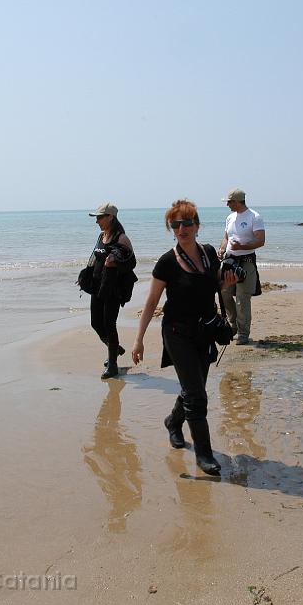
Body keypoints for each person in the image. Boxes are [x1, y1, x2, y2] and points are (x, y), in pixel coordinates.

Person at [131, 199, 238, 476]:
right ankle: (204, 455)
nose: (182, 229)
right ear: (171, 229)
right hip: (177, 333)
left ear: (197, 225)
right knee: (197, 396)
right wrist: (138, 339)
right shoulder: (167, 262)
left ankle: (173, 422)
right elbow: (151, 302)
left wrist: (225, 282)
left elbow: (211, 283)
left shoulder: (209, 253)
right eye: (176, 224)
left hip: (205, 330)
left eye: (187, 223)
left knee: (194, 389)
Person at [86, 203, 137, 379]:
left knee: (109, 324)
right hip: (97, 286)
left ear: (111, 217)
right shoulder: (101, 236)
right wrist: (85, 276)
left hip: (113, 288)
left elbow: (132, 263)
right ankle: (114, 349)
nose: (97, 221)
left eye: (100, 217)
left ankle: (113, 365)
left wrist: (115, 262)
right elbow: (94, 258)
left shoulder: (122, 238)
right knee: (96, 323)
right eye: (96, 218)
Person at [218, 188, 265, 344]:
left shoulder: (254, 217)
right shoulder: (230, 217)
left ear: (238, 202)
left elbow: (260, 241)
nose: (227, 205)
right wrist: (222, 249)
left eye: (229, 202)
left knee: (242, 298)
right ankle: (233, 325)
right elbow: (226, 237)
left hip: (247, 261)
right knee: (224, 292)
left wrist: (242, 247)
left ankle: (243, 333)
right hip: (229, 260)